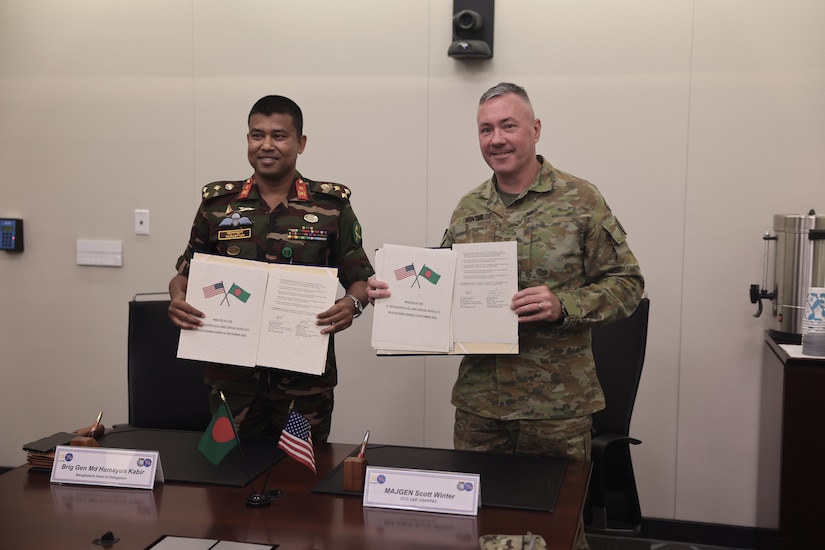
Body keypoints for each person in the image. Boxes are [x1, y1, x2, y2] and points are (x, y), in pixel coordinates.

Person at [367, 82, 644, 549]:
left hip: (555, 409)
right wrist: (393, 292)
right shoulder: (469, 208)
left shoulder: (580, 200)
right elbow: (442, 284)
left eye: (508, 126)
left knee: (556, 531)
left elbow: (628, 285)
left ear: (535, 130)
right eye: (486, 129)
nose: (496, 139)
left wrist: (564, 305)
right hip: (481, 407)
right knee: (479, 528)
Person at [169, 94, 374, 443]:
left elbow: (361, 281)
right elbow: (185, 274)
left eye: (279, 135)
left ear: (300, 143)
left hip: (303, 387)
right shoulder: (217, 206)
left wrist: (351, 306)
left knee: (301, 480)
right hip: (231, 383)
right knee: (228, 474)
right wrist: (177, 298)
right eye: (256, 135)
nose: (266, 145)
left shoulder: (332, 207)